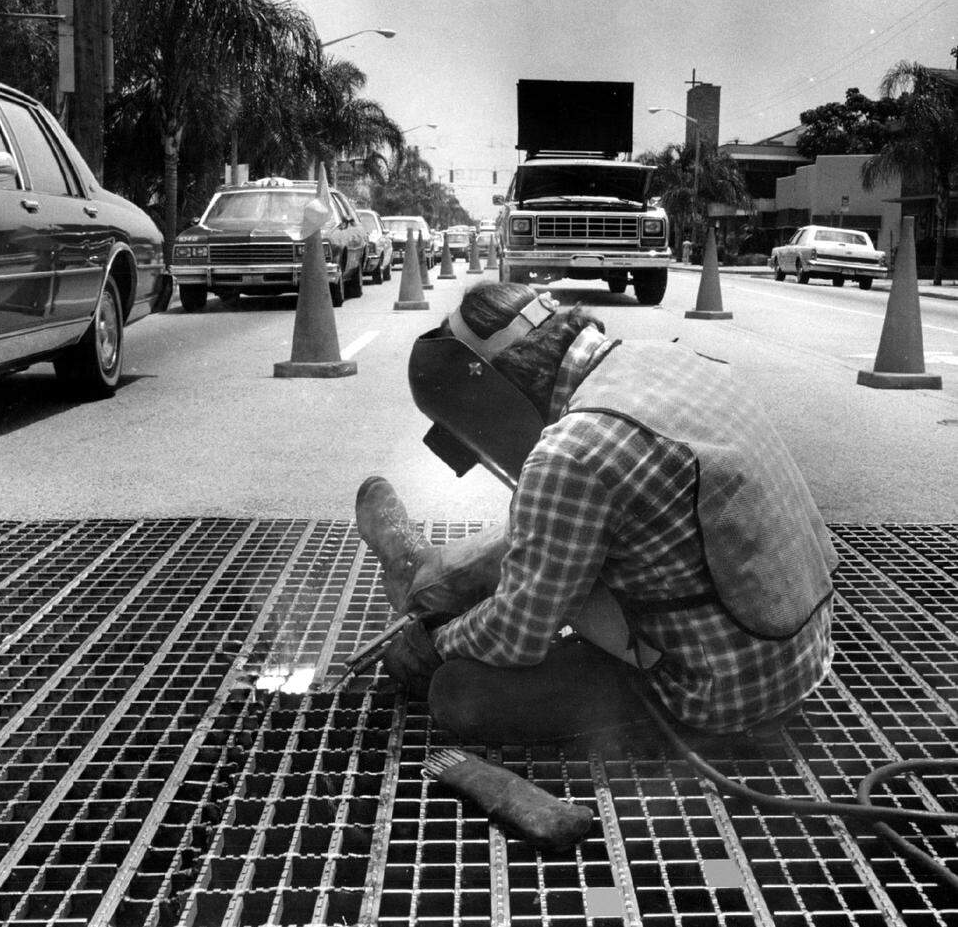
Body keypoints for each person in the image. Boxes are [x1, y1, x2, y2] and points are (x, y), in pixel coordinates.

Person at [355, 282, 837, 744]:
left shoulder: (572, 450)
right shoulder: (671, 358)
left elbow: (517, 635)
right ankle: (426, 576)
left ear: (492, 393)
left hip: (719, 694)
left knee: (458, 691)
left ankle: (427, 587)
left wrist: (437, 644)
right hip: (801, 653)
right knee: (555, 529)